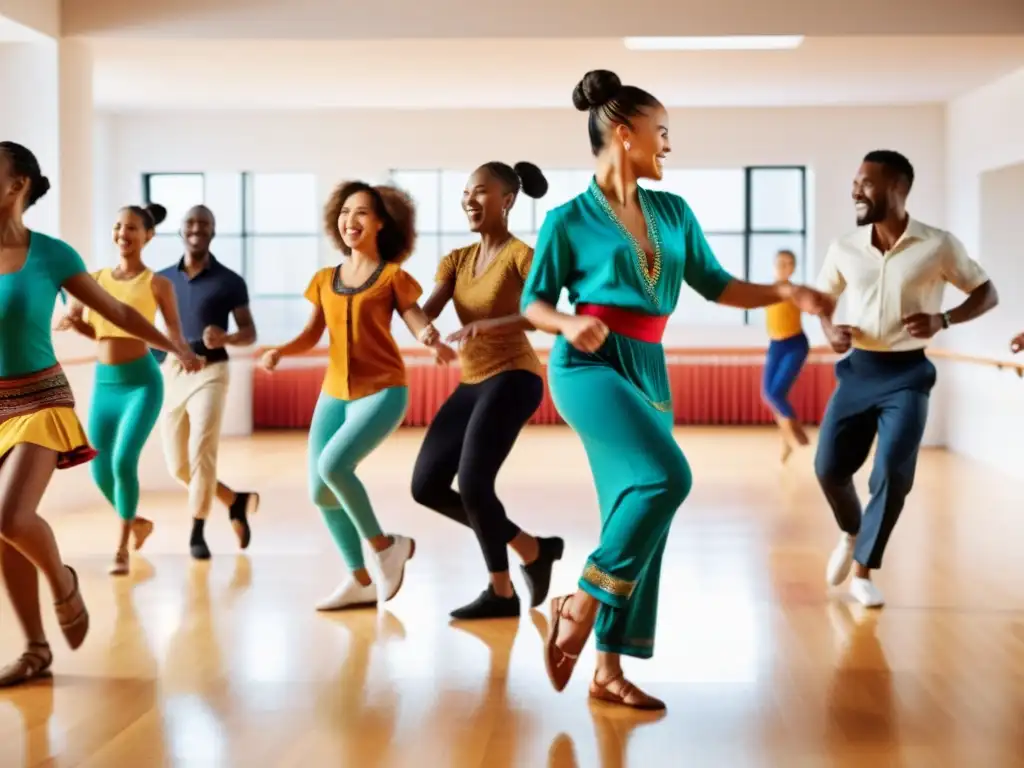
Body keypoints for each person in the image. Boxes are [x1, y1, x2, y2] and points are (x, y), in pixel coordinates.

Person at [519, 71, 834, 710]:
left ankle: (607, 671)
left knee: (636, 512)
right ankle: (576, 602)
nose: (668, 147)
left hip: (650, 368)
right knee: (667, 479)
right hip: (588, 367)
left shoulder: (673, 212)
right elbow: (533, 304)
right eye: (661, 134)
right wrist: (568, 321)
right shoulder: (566, 220)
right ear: (622, 133)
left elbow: (717, 285)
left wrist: (784, 292)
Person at [0, 141, 200, 687]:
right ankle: (36, 649)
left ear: (17, 186)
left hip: (39, 398)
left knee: (11, 516)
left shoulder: (52, 254)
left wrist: (174, 346)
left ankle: (62, 581)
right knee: (2, 533)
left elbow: (113, 311)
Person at [260, 181, 457, 611]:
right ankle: (361, 580)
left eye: (362, 212)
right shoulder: (324, 280)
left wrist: (429, 336)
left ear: (382, 222)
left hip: (382, 390)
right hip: (333, 392)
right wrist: (280, 350)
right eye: (345, 212)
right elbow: (313, 333)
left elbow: (412, 314)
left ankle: (387, 547)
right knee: (320, 490)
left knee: (334, 465)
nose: (351, 220)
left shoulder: (391, 277)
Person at [816, 150, 998, 609]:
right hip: (858, 370)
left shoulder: (938, 245)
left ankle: (863, 569)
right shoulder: (844, 247)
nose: (856, 190)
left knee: (892, 475)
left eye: (867, 183)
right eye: (856, 181)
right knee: (829, 469)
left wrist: (944, 319)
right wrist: (829, 329)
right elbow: (821, 299)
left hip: (908, 375)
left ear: (899, 189)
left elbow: (986, 292)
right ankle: (851, 531)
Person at [412, 161, 564, 620]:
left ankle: (501, 592)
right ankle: (531, 548)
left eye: (480, 192)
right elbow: (426, 310)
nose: (469, 201)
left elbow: (544, 313)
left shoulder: (522, 254)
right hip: (472, 382)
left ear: (508, 200)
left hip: (515, 376)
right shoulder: (456, 260)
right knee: (426, 486)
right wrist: (421, 330)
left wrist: (489, 324)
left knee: (475, 483)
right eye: (465, 194)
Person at [56, 203, 192, 576]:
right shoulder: (95, 279)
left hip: (141, 385)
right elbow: (97, 331)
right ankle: (137, 523)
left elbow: (173, 334)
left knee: (122, 462)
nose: (123, 234)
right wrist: (73, 322)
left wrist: (183, 353)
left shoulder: (158, 284)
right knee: (98, 469)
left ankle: (120, 549)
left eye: (132, 228)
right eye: (118, 227)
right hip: (106, 385)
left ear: (148, 236)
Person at [156, 205, 260, 560]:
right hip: (173, 370)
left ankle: (197, 530)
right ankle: (234, 501)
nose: (197, 228)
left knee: (202, 451)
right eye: (190, 222)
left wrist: (227, 338)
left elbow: (249, 332)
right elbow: (150, 328)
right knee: (178, 466)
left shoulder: (230, 281)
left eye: (204, 223)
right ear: (181, 231)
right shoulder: (161, 279)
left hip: (212, 371)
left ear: (213, 231)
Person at [762, 249, 811, 462]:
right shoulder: (765, 291)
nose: (784, 267)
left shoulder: (796, 291)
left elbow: (812, 306)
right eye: (781, 263)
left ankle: (797, 431)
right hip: (775, 345)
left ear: (793, 268)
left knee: (776, 394)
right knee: (770, 394)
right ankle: (787, 440)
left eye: (789, 263)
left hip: (795, 344)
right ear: (774, 265)